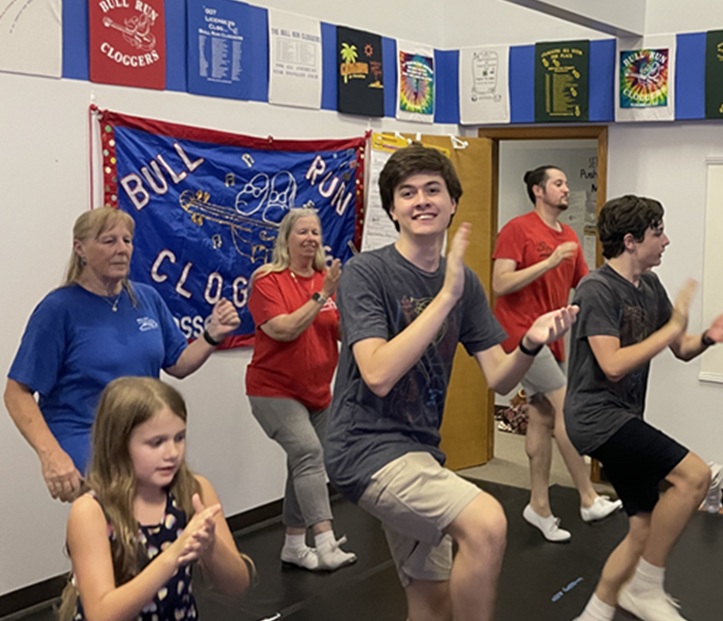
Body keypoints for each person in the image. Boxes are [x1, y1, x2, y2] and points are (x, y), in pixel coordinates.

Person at [323, 144, 577, 621]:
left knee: (432, 600)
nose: (421, 200)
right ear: (393, 208)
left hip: (420, 451)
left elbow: (500, 380)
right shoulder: (367, 272)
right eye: (408, 192)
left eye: (433, 189)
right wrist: (444, 299)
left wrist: (530, 342)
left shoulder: (463, 283)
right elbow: (376, 374)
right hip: (365, 448)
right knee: (485, 523)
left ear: (453, 202)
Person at [567, 195, 723, 621]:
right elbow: (611, 364)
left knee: (642, 527)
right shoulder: (596, 289)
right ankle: (645, 586)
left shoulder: (651, 287)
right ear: (630, 241)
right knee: (696, 476)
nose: (665, 241)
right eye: (657, 232)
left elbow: (680, 348)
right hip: (595, 416)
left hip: (623, 416)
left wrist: (709, 336)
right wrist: (674, 328)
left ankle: (599, 609)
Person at [6, 208, 241, 503]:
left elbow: (178, 364)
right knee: (123, 517)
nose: (122, 250)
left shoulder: (146, 298)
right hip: (86, 435)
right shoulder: (58, 310)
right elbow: (17, 392)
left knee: (179, 508)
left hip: (144, 433)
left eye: (127, 241)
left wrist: (212, 335)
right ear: (80, 248)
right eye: (109, 241)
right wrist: (51, 455)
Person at [493, 165, 621, 542]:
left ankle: (539, 506)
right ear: (538, 190)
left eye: (567, 183)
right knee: (569, 407)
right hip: (520, 334)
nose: (567, 189)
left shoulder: (569, 236)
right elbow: (500, 283)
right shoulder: (518, 229)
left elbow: (584, 284)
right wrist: (548, 262)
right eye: (559, 183)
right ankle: (587, 497)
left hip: (555, 337)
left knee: (542, 416)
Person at [58, 377, 249, 621]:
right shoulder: (91, 511)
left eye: (179, 438)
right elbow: (101, 615)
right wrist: (173, 554)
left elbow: (237, 586)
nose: (172, 453)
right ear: (119, 445)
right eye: (156, 443)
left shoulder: (194, 490)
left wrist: (211, 547)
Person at [245, 208, 356, 571]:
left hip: (318, 392)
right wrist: (322, 294)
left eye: (315, 232)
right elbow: (283, 329)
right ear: (286, 239)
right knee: (308, 452)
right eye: (302, 232)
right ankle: (325, 541)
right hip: (272, 390)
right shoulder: (268, 280)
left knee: (304, 462)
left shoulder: (327, 279)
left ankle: (294, 545)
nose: (310, 238)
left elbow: (340, 332)